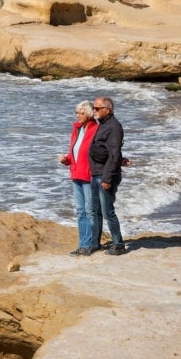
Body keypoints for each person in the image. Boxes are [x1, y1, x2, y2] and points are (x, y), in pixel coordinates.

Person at [88, 96, 129, 255]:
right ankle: (94, 243)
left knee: (107, 212)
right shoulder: (102, 125)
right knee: (95, 211)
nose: (95, 111)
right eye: (94, 108)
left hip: (105, 176)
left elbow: (114, 154)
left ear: (108, 110)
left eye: (97, 109)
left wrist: (107, 178)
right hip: (96, 173)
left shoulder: (113, 127)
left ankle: (118, 244)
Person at [59, 100, 98, 257]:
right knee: (80, 211)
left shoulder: (96, 129)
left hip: (89, 176)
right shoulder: (76, 129)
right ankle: (82, 244)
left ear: (89, 114)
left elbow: (102, 152)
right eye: (77, 112)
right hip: (76, 174)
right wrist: (67, 159)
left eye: (81, 113)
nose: (78, 115)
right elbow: (75, 151)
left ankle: (90, 244)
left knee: (90, 211)